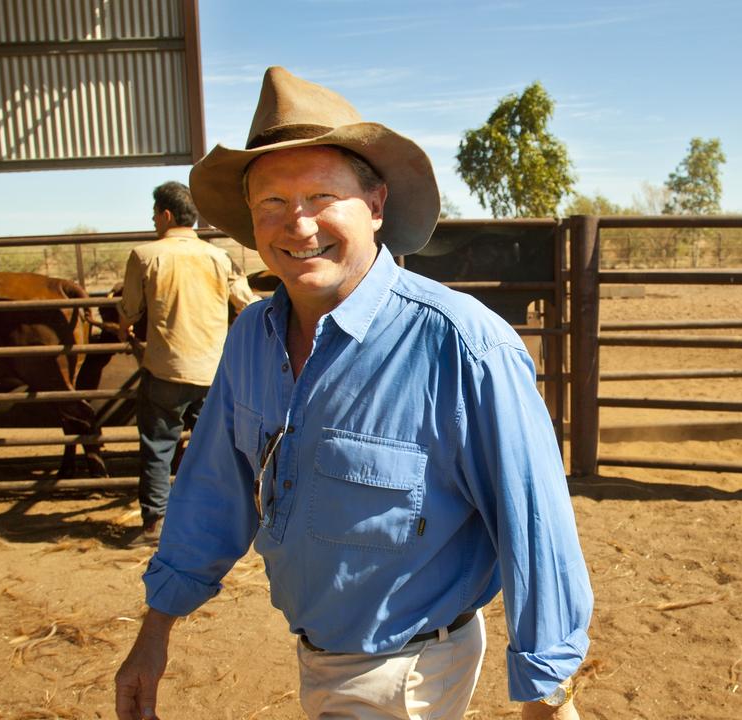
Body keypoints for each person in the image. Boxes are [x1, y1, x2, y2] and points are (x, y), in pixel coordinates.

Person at [113, 67, 593, 719]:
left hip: (409, 672)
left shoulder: (463, 346)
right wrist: (154, 631)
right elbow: (212, 490)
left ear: (374, 205)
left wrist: (547, 691)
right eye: (272, 204)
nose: (298, 225)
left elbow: (533, 522)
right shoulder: (254, 336)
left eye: (320, 196)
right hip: (321, 661)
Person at [117, 181, 259, 543]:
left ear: (166, 214)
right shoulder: (219, 257)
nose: (152, 220)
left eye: (154, 214)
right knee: (220, 449)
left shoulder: (145, 255)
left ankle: (154, 524)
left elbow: (130, 311)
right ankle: (225, 518)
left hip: (166, 369)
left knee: (157, 447)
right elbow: (246, 304)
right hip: (214, 372)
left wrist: (124, 327)